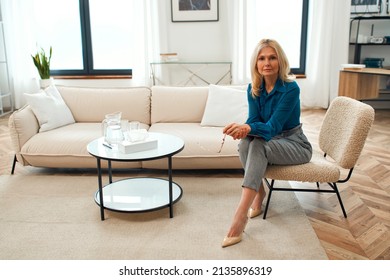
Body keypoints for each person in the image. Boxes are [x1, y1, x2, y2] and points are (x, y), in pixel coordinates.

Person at [221, 39, 313, 248]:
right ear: (256, 63)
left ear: (280, 61)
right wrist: (243, 128)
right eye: (262, 58)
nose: (267, 63)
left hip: (295, 143)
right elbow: (254, 121)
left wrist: (249, 128)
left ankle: (240, 215)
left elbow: (272, 127)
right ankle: (259, 192)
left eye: (272, 57)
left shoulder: (291, 89)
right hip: (271, 140)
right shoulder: (253, 88)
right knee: (246, 142)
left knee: (257, 143)